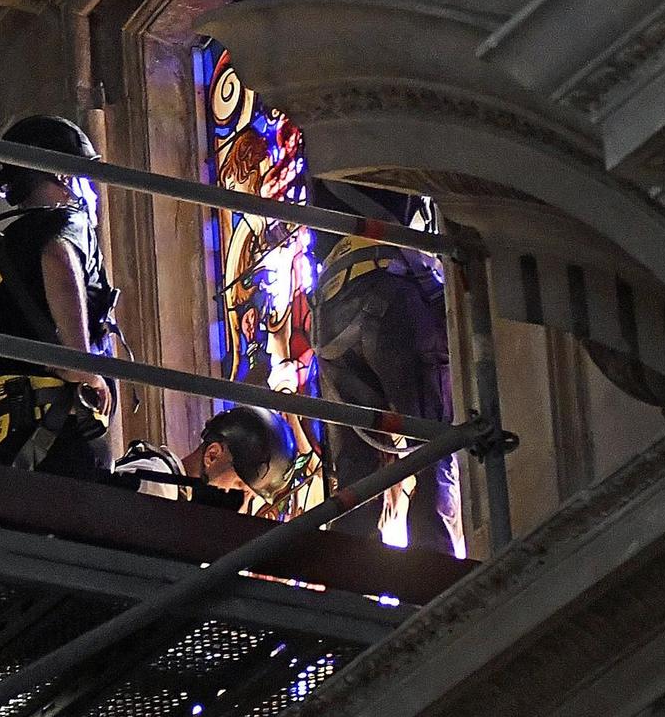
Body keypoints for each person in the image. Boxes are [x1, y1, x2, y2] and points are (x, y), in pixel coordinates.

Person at [0, 114, 122, 481]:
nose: (93, 192)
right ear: (65, 175)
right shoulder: (66, 222)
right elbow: (58, 256)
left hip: (6, 449)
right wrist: (81, 364)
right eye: (85, 176)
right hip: (61, 436)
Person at [311, 181, 459, 553]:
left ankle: (346, 592)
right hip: (388, 286)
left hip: (330, 319)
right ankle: (435, 583)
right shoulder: (384, 144)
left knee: (355, 476)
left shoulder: (325, 153)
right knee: (433, 446)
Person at [113, 406, 294, 512]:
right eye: (239, 486)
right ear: (212, 456)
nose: (241, 507)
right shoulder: (159, 487)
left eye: (249, 498)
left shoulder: (175, 497)